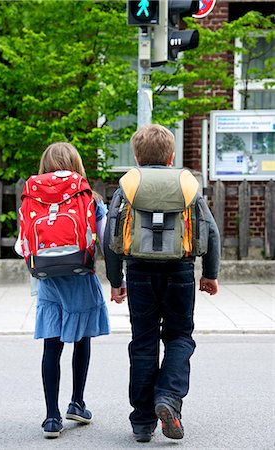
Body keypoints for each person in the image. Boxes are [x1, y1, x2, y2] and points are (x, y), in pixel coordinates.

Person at [104, 124, 220, 443]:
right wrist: (209, 274)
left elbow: (110, 234)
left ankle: (142, 423)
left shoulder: (129, 185)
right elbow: (210, 232)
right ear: (171, 156)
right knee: (180, 337)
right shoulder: (187, 184)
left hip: (139, 271)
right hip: (180, 271)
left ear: (137, 156)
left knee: (143, 342)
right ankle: (168, 399)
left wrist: (115, 280)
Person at [15, 142, 110, 439]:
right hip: (80, 278)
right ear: (76, 164)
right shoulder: (89, 197)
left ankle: (51, 418)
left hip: (48, 283)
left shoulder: (32, 196)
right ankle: (77, 403)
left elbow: (22, 245)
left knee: (51, 347)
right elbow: (105, 239)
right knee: (82, 341)